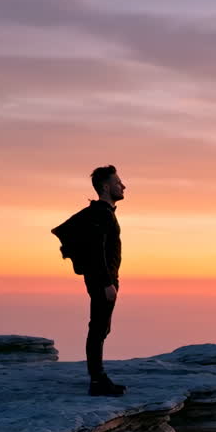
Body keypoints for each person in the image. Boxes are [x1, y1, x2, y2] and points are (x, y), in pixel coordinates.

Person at [83, 166, 127, 396]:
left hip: (104, 279)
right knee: (99, 328)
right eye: (118, 182)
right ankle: (98, 381)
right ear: (106, 186)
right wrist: (106, 283)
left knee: (101, 327)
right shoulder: (102, 213)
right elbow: (96, 251)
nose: (123, 186)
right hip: (104, 281)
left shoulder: (103, 212)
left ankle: (99, 378)